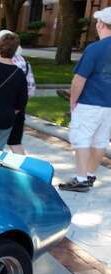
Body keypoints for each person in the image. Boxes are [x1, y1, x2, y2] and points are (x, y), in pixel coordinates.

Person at [59, 7, 111, 192]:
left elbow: (79, 79)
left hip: (90, 102)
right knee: (100, 141)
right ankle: (89, 175)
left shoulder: (95, 49)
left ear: (101, 24)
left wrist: (73, 100)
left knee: (82, 139)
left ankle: (81, 179)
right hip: (109, 105)